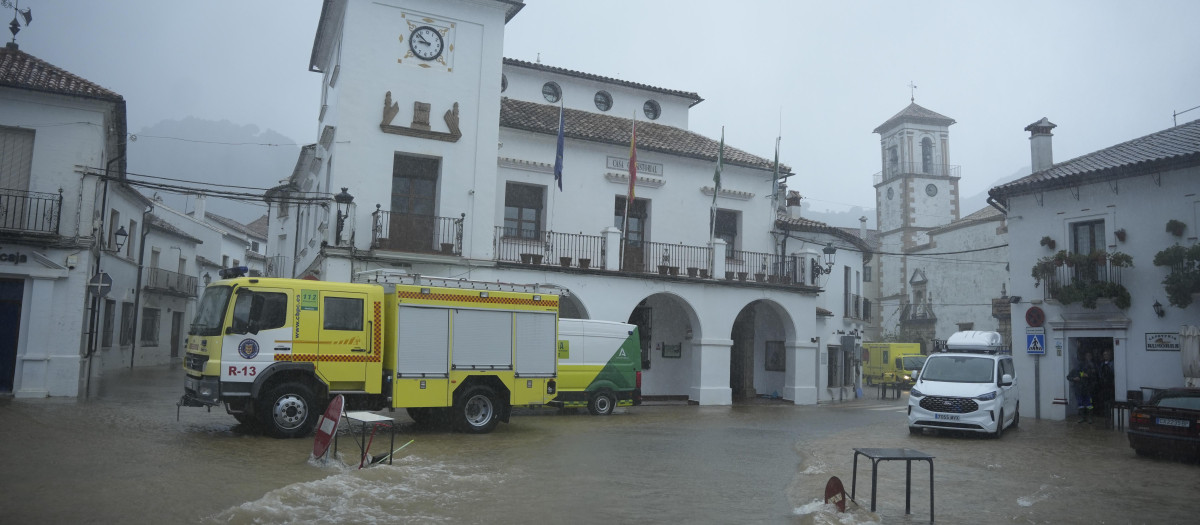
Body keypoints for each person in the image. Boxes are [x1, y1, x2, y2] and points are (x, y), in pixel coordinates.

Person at [1067, 350, 1098, 423]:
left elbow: (1095, 377)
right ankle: (1082, 417)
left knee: (1089, 404)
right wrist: (1074, 378)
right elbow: (1068, 377)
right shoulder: (1075, 370)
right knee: (1080, 404)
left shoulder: (1090, 368)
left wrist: (1088, 376)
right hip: (1078, 390)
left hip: (1087, 390)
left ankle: (1090, 418)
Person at [1097, 349, 1115, 422]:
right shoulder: (1101, 364)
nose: (1106, 356)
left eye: (1107, 354)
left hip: (1110, 385)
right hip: (1103, 385)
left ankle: (1111, 414)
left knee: (1110, 400)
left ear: (1110, 355)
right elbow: (1100, 374)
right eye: (1104, 355)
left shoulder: (1113, 363)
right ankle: (1105, 414)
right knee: (1104, 400)